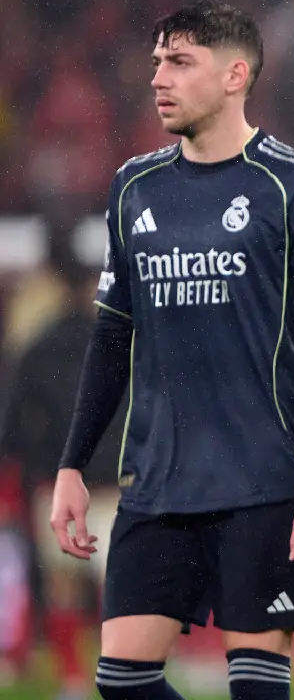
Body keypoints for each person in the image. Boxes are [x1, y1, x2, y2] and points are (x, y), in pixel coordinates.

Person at [48, 1, 294, 700]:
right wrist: (71, 463)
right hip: (158, 482)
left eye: (180, 62)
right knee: (121, 680)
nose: (159, 77)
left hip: (267, 484)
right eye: (158, 60)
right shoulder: (134, 187)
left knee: (255, 688)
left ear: (234, 75)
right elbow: (111, 336)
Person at [0, 232, 125, 700]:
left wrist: (33, 465)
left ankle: (73, 679)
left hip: (58, 481)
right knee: (118, 588)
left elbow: (12, 421)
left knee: (63, 588)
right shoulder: (122, 340)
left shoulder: (39, 345)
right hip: (113, 483)